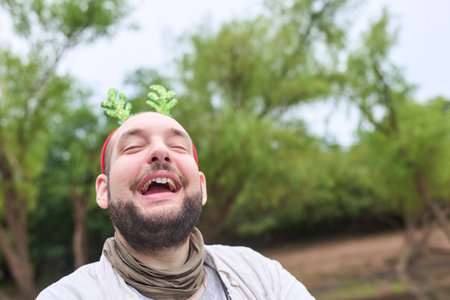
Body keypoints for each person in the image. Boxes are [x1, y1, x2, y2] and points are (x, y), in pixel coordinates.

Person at [37, 111, 315, 299]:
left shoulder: (262, 275)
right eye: (133, 147)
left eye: (178, 146)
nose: (161, 152)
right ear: (104, 190)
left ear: (202, 187)